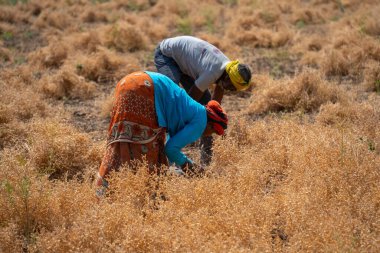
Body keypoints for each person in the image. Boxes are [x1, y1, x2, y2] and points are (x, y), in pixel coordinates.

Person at [96, 71, 228, 195]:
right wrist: (189, 166)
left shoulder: (193, 109)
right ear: (210, 124)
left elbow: (169, 145)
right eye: (213, 132)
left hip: (129, 82)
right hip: (145, 91)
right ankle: (145, 199)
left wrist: (173, 166)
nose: (208, 135)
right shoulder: (201, 123)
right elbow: (170, 149)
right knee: (147, 156)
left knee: (121, 141)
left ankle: (102, 190)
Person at [154, 36, 252, 165]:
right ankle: (167, 154)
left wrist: (215, 124)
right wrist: (188, 128)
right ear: (228, 78)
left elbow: (213, 109)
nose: (232, 90)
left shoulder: (227, 70)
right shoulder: (213, 71)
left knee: (206, 115)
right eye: (233, 87)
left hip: (185, 63)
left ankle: (206, 161)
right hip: (167, 55)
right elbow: (187, 103)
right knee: (173, 99)